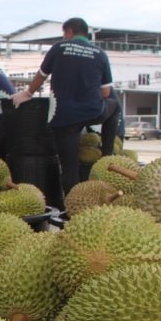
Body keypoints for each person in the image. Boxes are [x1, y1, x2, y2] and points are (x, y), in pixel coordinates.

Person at [12, 16, 121, 194]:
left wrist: (27, 93)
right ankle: (106, 156)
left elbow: (41, 75)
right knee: (114, 106)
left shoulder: (59, 48)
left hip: (65, 117)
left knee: (69, 166)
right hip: (93, 110)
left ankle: (70, 208)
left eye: (64, 34)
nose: (64, 37)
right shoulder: (100, 54)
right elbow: (106, 93)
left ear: (69, 32)